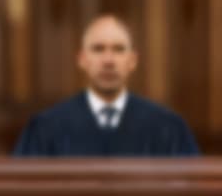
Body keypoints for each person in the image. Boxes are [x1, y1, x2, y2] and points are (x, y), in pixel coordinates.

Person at [14, 14, 199, 156]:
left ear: (132, 61)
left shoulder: (169, 128)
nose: (108, 60)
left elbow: (192, 194)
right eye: (98, 49)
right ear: (82, 59)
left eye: (118, 49)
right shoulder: (45, 128)